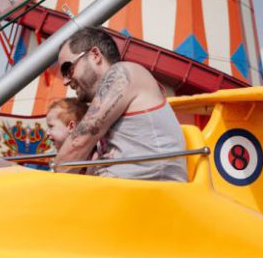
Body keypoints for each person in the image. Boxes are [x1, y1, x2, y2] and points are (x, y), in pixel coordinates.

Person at [53, 26, 187, 181]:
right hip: (122, 194)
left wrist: (49, 183)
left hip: (150, 196)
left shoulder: (123, 73)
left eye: (67, 69)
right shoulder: (111, 114)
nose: (65, 81)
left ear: (95, 55)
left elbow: (79, 142)